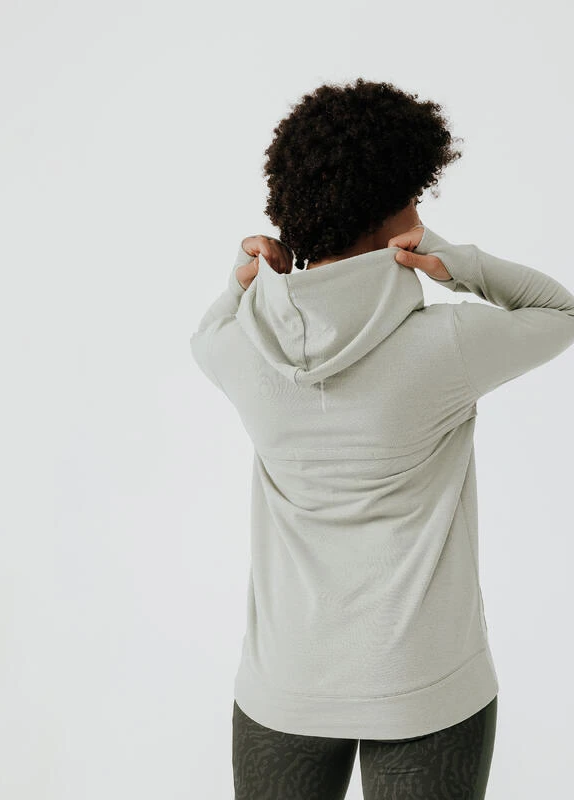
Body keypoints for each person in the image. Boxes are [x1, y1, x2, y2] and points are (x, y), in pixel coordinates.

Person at [189, 78, 574, 799]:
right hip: (424, 684)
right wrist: (452, 260)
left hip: (286, 682)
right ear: (381, 216)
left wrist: (249, 277)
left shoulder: (239, 351)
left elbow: (206, 332)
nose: (419, 213)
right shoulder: (446, 345)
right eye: (412, 197)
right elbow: (560, 312)